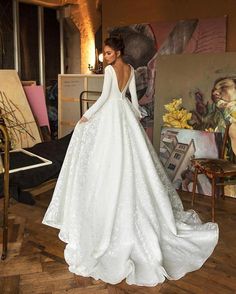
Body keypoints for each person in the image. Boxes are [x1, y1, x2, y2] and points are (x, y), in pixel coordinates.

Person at [43, 36, 219, 287]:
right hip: (124, 114)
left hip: (111, 116)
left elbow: (104, 99)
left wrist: (86, 116)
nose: (105, 57)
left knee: (108, 163)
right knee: (132, 164)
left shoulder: (111, 71)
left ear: (117, 52)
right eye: (103, 53)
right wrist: (135, 117)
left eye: (108, 53)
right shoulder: (131, 70)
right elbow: (134, 102)